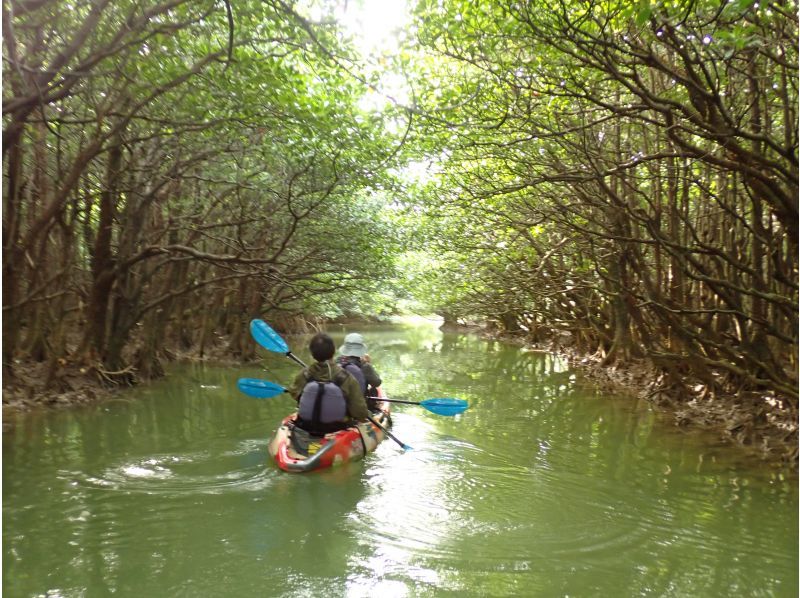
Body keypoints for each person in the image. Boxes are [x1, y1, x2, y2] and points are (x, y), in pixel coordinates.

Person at [287, 332, 370, 438]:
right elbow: (360, 413)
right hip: (337, 429)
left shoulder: (304, 374)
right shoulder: (347, 378)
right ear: (334, 351)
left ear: (312, 353)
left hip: (305, 426)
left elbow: (294, 392)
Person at [337, 332, 383, 411]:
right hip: (357, 406)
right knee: (374, 390)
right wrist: (368, 364)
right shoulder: (365, 366)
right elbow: (377, 382)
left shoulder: (337, 362)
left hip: (338, 404)